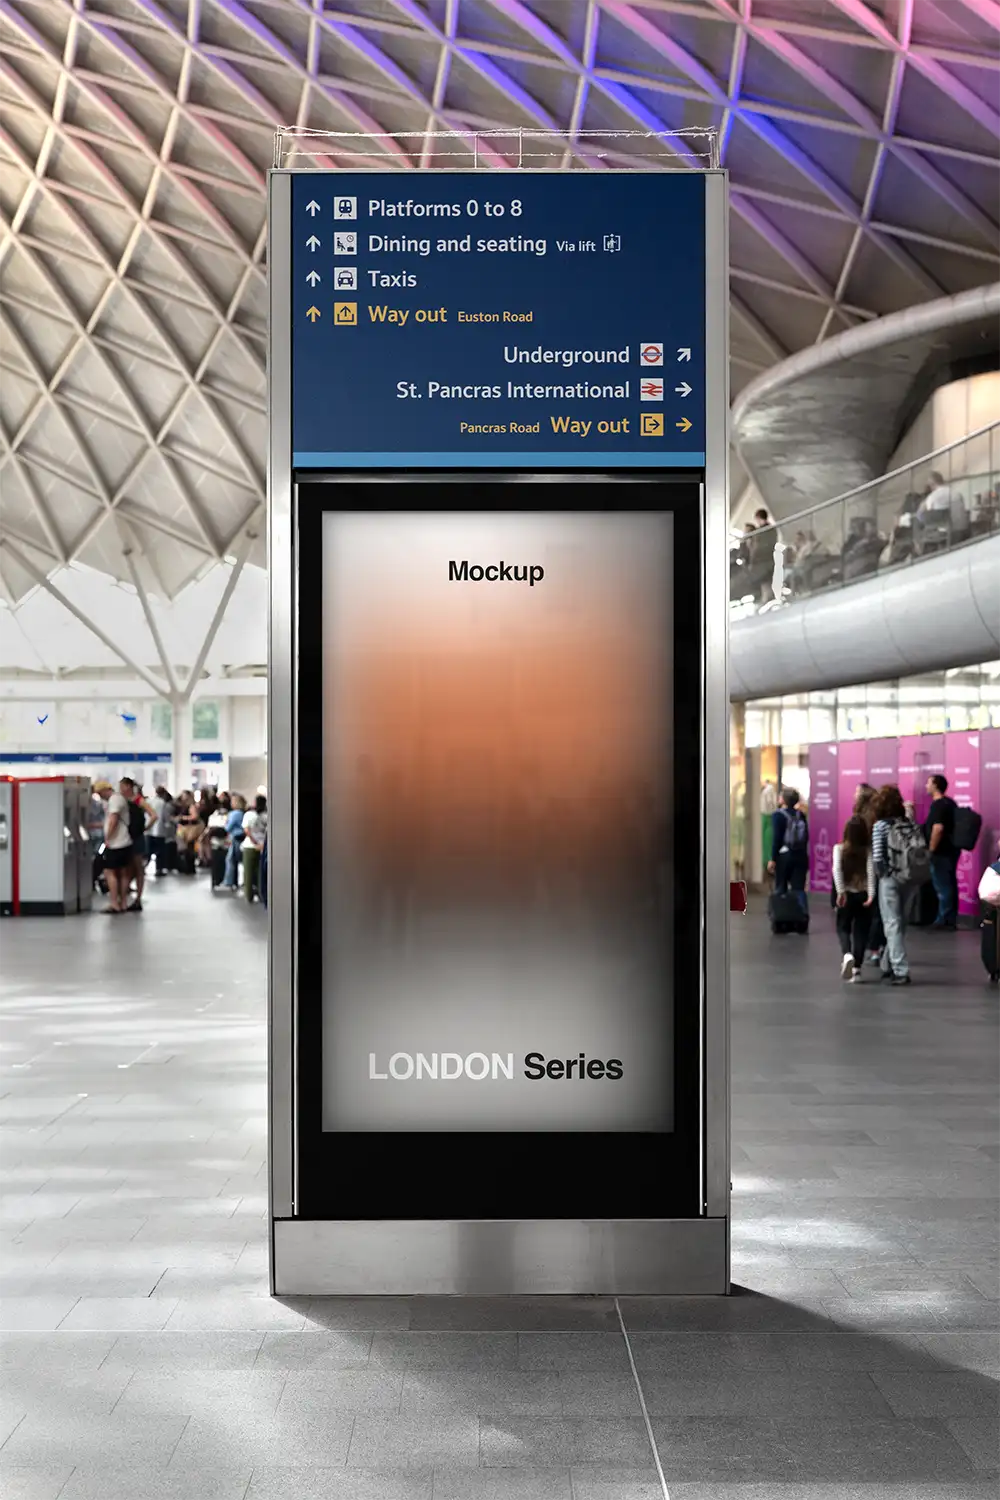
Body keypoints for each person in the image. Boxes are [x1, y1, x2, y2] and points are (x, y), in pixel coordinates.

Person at [871, 783, 916, 985]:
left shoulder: (880, 826)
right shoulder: (908, 823)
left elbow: (878, 857)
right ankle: (887, 963)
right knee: (900, 923)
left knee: (891, 922)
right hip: (910, 877)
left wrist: (883, 875)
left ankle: (900, 969)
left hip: (890, 878)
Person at [833, 816, 875, 982]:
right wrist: (871, 894)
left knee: (843, 927)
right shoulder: (867, 851)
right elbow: (871, 873)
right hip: (863, 895)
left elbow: (837, 870)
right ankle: (857, 968)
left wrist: (841, 892)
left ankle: (846, 954)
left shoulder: (839, 849)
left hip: (847, 895)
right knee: (861, 931)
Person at [924, 773, 959, 929]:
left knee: (943, 885)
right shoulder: (950, 803)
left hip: (941, 852)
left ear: (935, 785)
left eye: (929, 783)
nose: (926, 786)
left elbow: (938, 828)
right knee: (949, 883)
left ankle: (943, 919)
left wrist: (931, 849)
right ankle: (949, 917)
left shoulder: (938, 805)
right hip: (951, 850)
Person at [93, 778, 132, 914]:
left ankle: (114, 903)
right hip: (124, 841)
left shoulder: (114, 800)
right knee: (122, 873)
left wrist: (107, 838)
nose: (100, 796)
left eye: (99, 793)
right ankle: (123, 903)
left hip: (116, 843)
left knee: (109, 872)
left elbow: (113, 821)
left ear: (105, 790)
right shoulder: (119, 799)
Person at [767, 788, 809, 914]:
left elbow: (777, 839)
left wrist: (773, 859)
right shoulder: (800, 815)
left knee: (781, 886)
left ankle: (781, 915)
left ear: (783, 800)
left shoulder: (778, 815)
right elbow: (806, 836)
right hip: (800, 855)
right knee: (799, 889)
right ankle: (802, 915)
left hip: (784, 856)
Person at [119, 777, 154, 912]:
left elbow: (154, 815)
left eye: (122, 786)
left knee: (136, 868)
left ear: (128, 786)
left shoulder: (137, 800)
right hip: (133, 836)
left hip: (133, 837)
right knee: (133, 868)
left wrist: (145, 828)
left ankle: (135, 898)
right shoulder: (130, 801)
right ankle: (129, 898)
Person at [916, 470, 970, 549]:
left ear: (931, 484)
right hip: (964, 529)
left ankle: (919, 552)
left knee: (920, 525)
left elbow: (922, 517)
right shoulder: (956, 493)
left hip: (948, 536)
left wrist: (921, 508)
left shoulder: (932, 498)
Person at [241, 793, 267, 903]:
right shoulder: (267, 815)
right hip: (263, 847)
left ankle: (249, 895)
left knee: (248, 873)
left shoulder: (248, 815)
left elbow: (246, 830)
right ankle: (261, 895)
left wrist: (254, 841)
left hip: (249, 846)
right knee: (260, 873)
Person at [148, 786, 176, 877]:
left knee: (148, 851)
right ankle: (158, 869)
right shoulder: (163, 803)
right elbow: (165, 818)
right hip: (160, 830)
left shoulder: (149, 801)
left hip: (149, 829)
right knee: (160, 851)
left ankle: (143, 866)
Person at [221, 794, 247, 891]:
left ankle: (230, 882)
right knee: (237, 860)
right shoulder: (242, 813)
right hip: (241, 838)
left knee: (231, 860)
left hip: (236, 838)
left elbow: (228, 827)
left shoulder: (234, 814)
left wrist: (226, 822)